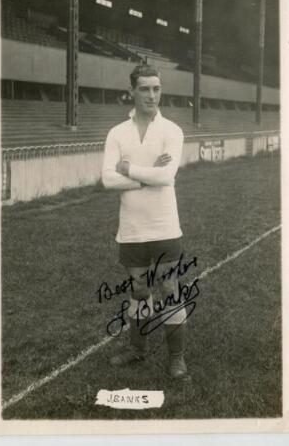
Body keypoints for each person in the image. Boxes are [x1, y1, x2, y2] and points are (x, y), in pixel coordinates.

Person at [102, 64, 188, 379]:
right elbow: (107, 180)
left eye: (156, 88)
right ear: (132, 91)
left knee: (169, 288)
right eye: (145, 89)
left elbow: (166, 176)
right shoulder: (117, 133)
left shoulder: (172, 131)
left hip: (165, 226)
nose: (152, 95)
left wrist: (128, 168)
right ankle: (137, 350)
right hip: (132, 229)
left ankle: (177, 358)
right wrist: (144, 175)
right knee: (138, 292)